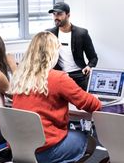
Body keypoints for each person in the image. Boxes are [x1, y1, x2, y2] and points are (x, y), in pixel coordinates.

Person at [10, 31, 102, 163]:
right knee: (89, 142)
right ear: (53, 53)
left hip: (20, 148)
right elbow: (93, 105)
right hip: (46, 150)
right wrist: (96, 99)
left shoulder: (20, 77)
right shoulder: (58, 78)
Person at [47, 2, 98, 90]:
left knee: (85, 101)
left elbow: (93, 57)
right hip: (59, 75)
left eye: (59, 14)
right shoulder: (49, 34)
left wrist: (89, 66)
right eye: (54, 14)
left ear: (68, 15)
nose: (56, 17)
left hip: (79, 74)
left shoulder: (82, 33)